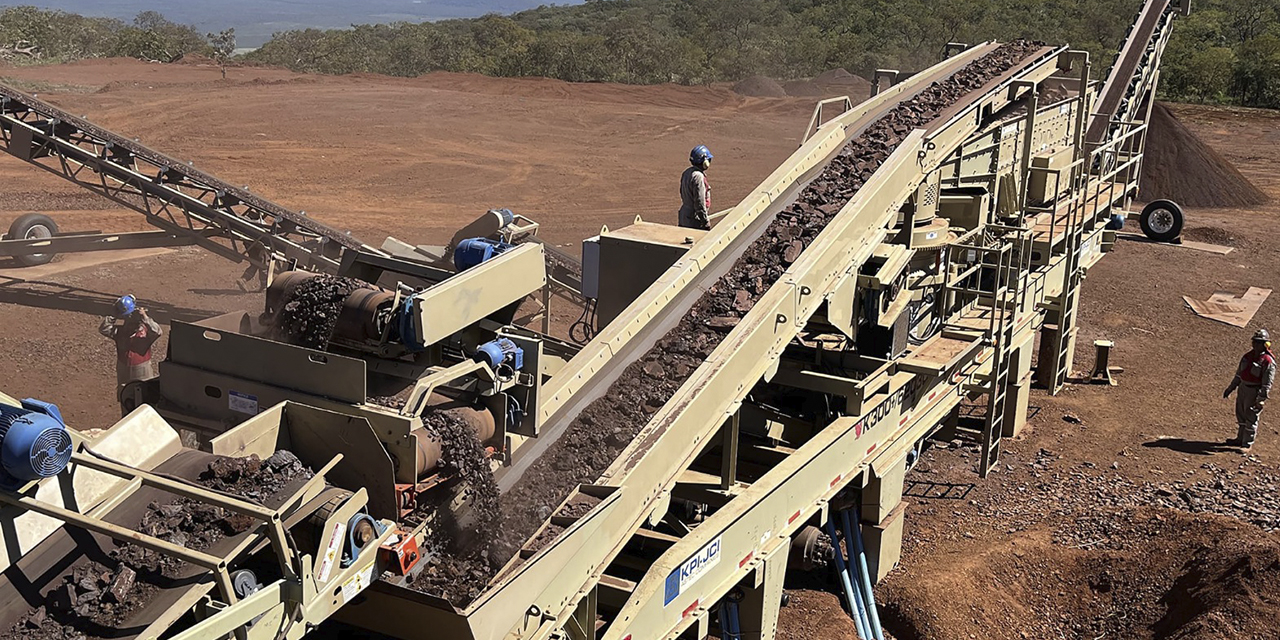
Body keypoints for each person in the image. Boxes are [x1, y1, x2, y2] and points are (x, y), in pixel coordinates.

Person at [1223, 329, 1275, 450]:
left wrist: (1261, 399)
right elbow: (1239, 374)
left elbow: (1267, 383)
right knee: (1241, 414)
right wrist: (1231, 388)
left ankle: (1247, 444)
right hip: (1243, 388)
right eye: (1255, 342)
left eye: (1259, 342)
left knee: (1251, 416)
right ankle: (1240, 439)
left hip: (1254, 391)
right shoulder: (1247, 356)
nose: (1255, 345)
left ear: (1265, 344)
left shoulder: (1268, 361)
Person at [99, 295, 163, 386]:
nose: (131, 321)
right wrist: (113, 315)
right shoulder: (120, 332)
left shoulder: (146, 332)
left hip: (141, 369)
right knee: (125, 394)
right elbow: (104, 329)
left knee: (145, 393)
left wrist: (145, 317)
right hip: (123, 368)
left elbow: (158, 331)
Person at [679, 145, 714, 230]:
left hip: (684, 215)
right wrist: (704, 221)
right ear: (704, 162)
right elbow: (699, 201)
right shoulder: (698, 177)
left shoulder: (687, 173)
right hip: (694, 219)